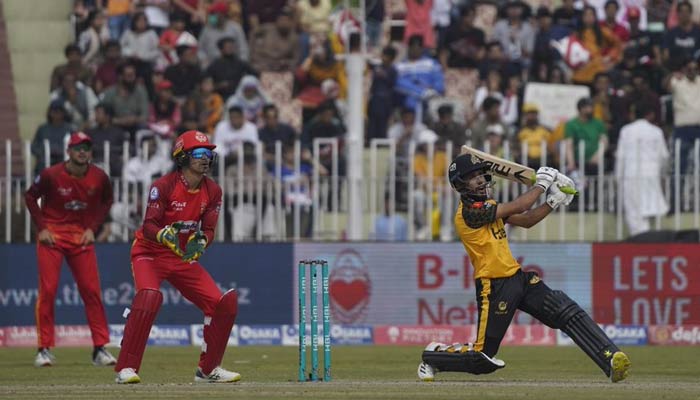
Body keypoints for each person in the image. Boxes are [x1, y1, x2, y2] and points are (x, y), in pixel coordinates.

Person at [416, 154, 631, 383]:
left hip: (518, 279)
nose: (479, 180)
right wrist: (542, 184)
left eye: (480, 174)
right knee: (483, 358)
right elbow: (522, 204)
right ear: (460, 184)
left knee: (564, 309)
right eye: (472, 177)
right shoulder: (470, 213)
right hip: (494, 286)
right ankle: (432, 357)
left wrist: (553, 201)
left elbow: (527, 219)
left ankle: (610, 357)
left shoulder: (489, 206)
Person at [114, 130, 240, 384]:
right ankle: (126, 368)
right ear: (182, 157)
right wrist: (163, 235)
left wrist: (203, 240)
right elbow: (149, 225)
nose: (206, 159)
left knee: (220, 304)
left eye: (209, 154)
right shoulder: (163, 186)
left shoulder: (213, 190)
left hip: (180, 256)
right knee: (149, 297)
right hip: (149, 252)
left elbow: (208, 229)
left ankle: (208, 370)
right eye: (199, 154)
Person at [24, 132, 116, 368]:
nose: (82, 151)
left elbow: (107, 200)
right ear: (69, 151)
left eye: (86, 147)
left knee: (92, 292)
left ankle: (99, 349)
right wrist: (42, 228)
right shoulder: (51, 175)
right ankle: (44, 349)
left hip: (81, 238)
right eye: (77, 148)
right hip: (52, 237)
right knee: (49, 290)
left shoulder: (99, 177)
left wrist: (92, 228)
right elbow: (30, 197)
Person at [615, 101, 669, 236]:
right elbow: (664, 157)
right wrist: (662, 174)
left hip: (631, 175)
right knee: (648, 211)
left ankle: (641, 243)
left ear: (633, 114)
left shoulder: (626, 130)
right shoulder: (656, 132)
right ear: (650, 115)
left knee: (634, 214)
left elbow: (620, 157)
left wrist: (618, 177)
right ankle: (647, 240)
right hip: (651, 174)